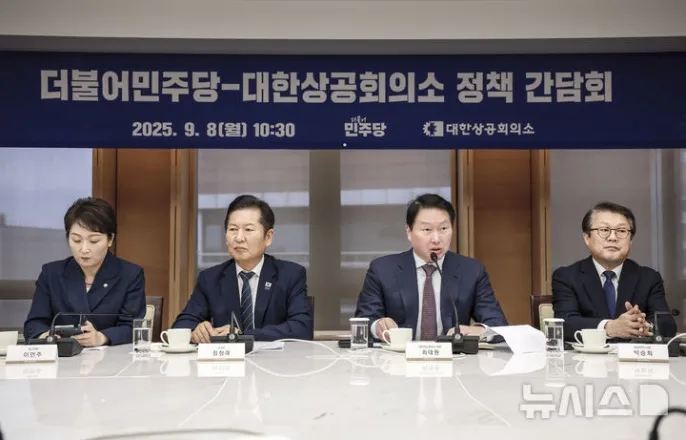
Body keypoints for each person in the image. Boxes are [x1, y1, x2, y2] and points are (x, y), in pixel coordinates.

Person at [355, 193, 508, 342]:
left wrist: (480, 331)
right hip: (398, 357)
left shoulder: (472, 271)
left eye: (443, 229)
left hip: (454, 357)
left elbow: (498, 324)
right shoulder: (382, 270)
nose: (436, 239)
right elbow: (363, 320)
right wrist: (378, 326)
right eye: (427, 230)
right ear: (409, 232)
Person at [172, 195, 313, 342]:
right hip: (225, 357)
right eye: (233, 229)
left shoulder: (290, 275)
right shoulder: (210, 278)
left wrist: (243, 335)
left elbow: (302, 328)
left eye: (248, 229)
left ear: (268, 237)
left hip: (274, 357)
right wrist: (196, 331)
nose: (239, 238)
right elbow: (180, 326)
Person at [23, 197, 146, 346]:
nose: (84, 249)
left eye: (94, 241)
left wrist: (102, 337)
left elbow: (132, 327)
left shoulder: (130, 275)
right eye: (76, 240)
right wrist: (48, 336)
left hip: (111, 357)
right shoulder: (51, 274)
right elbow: (34, 324)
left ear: (110, 239)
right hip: (63, 355)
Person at [552, 201, 677, 341]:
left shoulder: (649, 278)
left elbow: (667, 325)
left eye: (621, 231)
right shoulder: (566, 277)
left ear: (631, 240)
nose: (612, 237)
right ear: (587, 238)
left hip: (632, 354)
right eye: (604, 230)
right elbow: (564, 323)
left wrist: (644, 326)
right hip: (586, 354)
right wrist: (609, 327)